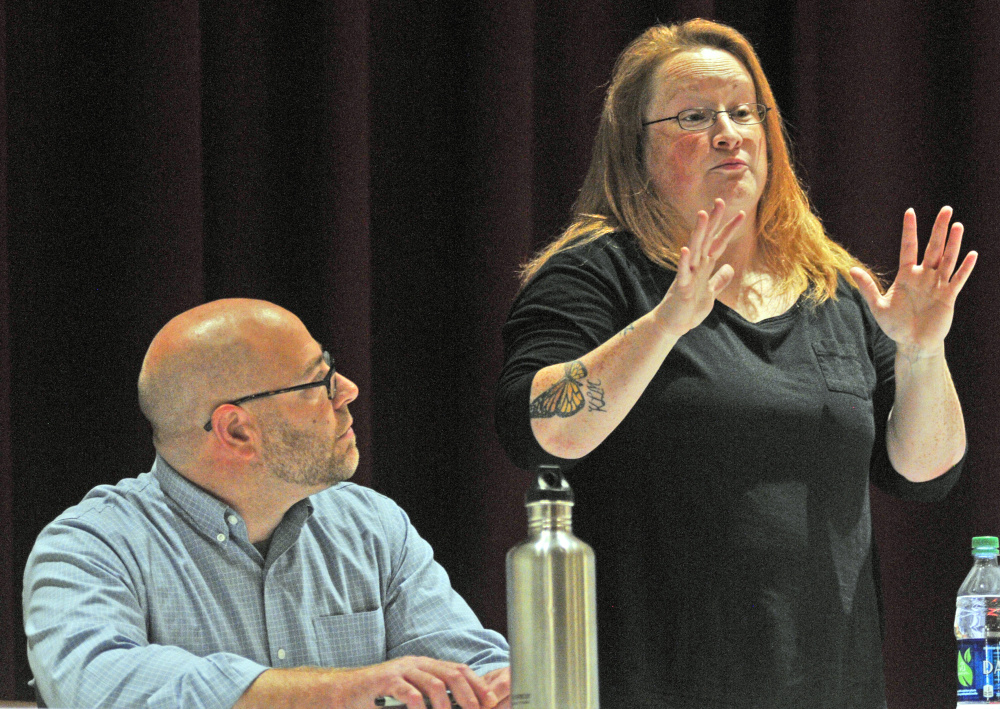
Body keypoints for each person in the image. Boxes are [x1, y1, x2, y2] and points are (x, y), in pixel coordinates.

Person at [495, 18, 974, 709]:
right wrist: (667, 322)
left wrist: (923, 351)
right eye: (694, 117)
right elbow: (540, 428)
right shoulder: (596, 275)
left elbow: (925, 471)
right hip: (658, 685)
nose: (728, 133)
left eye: (744, 112)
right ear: (635, 147)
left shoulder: (833, 289)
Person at [23, 298, 511, 709]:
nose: (347, 390)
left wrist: (508, 689)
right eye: (318, 382)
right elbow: (98, 684)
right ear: (237, 431)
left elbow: (472, 669)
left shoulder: (372, 525)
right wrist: (341, 690)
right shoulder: (89, 546)